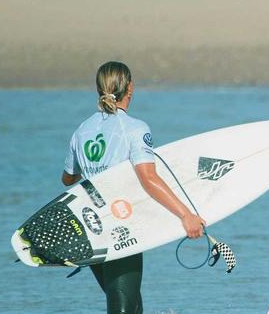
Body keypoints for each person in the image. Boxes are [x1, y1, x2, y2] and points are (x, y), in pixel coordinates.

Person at [61, 61, 206, 314]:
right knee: (124, 309)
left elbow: (68, 178)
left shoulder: (81, 131)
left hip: (92, 227)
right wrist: (186, 215)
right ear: (130, 88)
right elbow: (148, 179)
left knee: (130, 306)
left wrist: (95, 167)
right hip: (121, 226)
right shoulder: (135, 129)